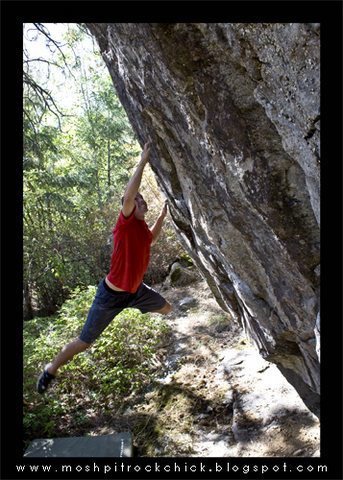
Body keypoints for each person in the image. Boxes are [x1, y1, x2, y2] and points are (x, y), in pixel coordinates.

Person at [37, 141, 171, 393]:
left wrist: (162, 217)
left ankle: (136, 311)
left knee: (167, 308)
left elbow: (152, 238)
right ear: (129, 206)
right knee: (84, 341)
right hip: (110, 296)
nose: (140, 200)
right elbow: (129, 195)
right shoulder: (125, 224)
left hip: (135, 291)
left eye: (142, 199)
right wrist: (142, 162)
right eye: (137, 199)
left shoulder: (142, 229)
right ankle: (50, 369)